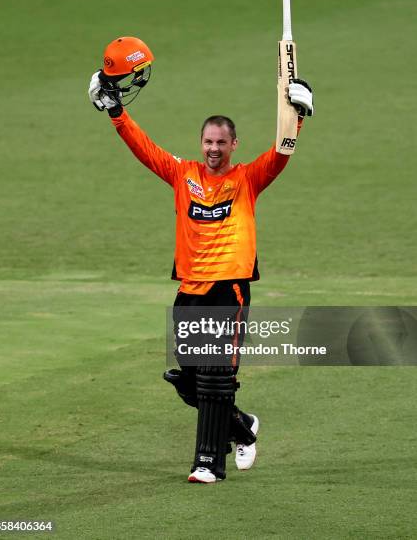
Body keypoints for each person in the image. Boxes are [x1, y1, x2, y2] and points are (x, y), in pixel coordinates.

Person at [88, 36, 314, 483]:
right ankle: (243, 428)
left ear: (234, 145)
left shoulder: (248, 179)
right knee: (190, 383)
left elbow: (282, 152)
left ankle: (208, 463)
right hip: (188, 290)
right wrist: (116, 111)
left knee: (215, 380)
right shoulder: (182, 174)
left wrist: (299, 113)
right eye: (208, 141)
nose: (213, 148)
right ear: (201, 142)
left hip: (228, 288)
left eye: (221, 142)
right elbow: (143, 146)